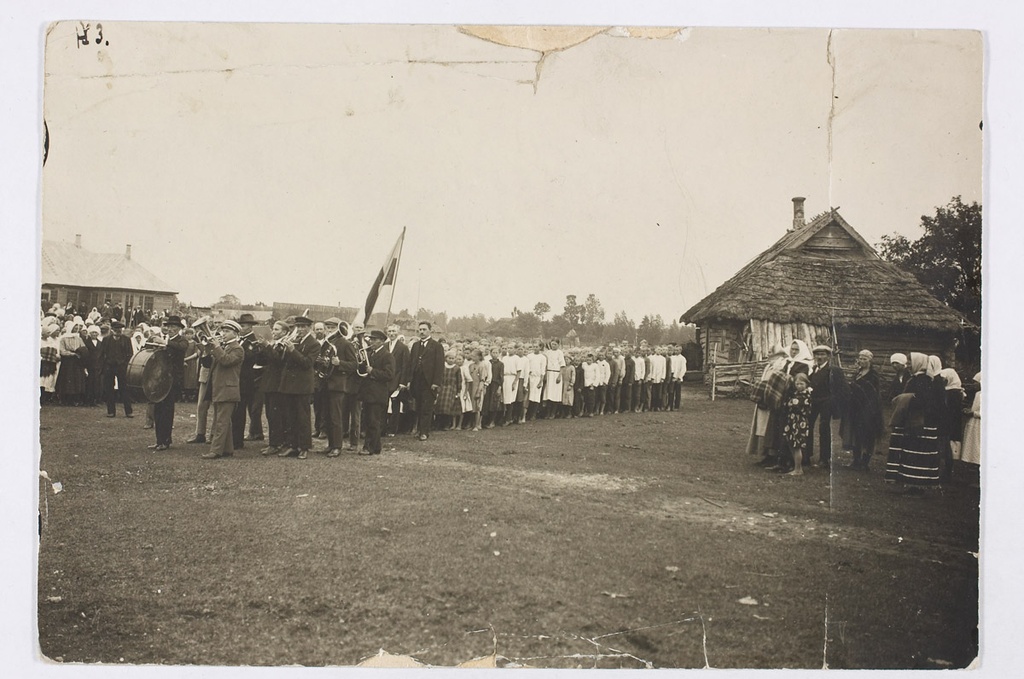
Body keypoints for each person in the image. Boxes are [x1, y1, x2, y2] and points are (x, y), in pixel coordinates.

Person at [885, 352, 942, 490]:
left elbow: (923, 401)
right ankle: (912, 483)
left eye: (910, 362)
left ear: (919, 363)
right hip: (914, 421)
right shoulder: (917, 378)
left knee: (918, 454)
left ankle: (917, 486)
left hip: (921, 423)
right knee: (912, 452)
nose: (908, 365)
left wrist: (905, 398)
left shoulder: (923, 380)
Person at [277, 316, 319, 459]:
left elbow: (307, 363)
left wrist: (292, 350)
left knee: (303, 418)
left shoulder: (314, 344)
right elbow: (283, 361)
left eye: (303, 327)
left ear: (309, 328)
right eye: (298, 327)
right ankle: (292, 445)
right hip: (289, 385)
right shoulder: (294, 340)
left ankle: (304, 447)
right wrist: (282, 348)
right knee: (290, 417)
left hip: (302, 386)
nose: (300, 329)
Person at [201, 320, 244, 459]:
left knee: (221, 421)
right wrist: (207, 350)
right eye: (223, 331)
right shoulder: (223, 347)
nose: (223, 334)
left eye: (227, 331)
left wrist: (217, 347)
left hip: (228, 389)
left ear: (235, 334)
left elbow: (226, 361)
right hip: (219, 388)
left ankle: (216, 450)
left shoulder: (238, 349)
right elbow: (208, 364)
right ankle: (227, 449)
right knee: (225, 421)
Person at [149, 316, 188, 451]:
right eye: (169, 327)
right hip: (162, 378)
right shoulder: (167, 340)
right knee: (158, 409)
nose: (170, 329)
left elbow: (181, 347)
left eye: (173, 327)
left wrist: (164, 343)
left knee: (167, 410)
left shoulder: (181, 340)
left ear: (179, 329)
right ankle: (159, 440)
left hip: (172, 380)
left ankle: (165, 441)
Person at [841, 349, 884, 471]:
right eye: (860, 358)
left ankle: (865, 462)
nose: (862, 361)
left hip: (868, 409)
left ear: (870, 360)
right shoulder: (858, 373)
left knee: (868, 435)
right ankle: (856, 460)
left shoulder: (873, 375)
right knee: (856, 435)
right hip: (855, 408)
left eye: (864, 359)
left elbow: (873, 393)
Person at [805, 344, 846, 469]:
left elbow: (840, 388)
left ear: (828, 356)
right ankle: (806, 455)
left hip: (826, 402)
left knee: (824, 428)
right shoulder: (813, 369)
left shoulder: (833, 370)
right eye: (817, 354)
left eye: (822, 354)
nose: (819, 357)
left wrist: (833, 402)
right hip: (814, 402)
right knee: (807, 425)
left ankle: (824, 458)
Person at [746, 343, 788, 463]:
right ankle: (764, 453)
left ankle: (771, 454)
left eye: (771, 351)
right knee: (761, 426)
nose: (769, 353)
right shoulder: (769, 364)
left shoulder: (780, 363)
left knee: (769, 426)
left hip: (771, 398)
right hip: (763, 398)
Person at [404, 321, 445, 440]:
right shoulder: (416, 346)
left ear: (430, 331)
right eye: (420, 329)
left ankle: (424, 432)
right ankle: (419, 429)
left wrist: (436, 382)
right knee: (418, 406)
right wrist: (409, 380)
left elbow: (439, 366)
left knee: (427, 407)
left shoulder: (437, 346)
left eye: (424, 329)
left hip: (429, 381)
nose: (422, 332)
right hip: (417, 380)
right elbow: (411, 364)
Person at [357, 329, 395, 455]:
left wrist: (372, 371)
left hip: (378, 393)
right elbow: (362, 369)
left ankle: (370, 447)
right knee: (368, 420)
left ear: (382, 341)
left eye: (374, 340)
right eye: (371, 339)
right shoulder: (369, 353)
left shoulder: (387, 355)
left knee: (373, 421)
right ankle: (375, 447)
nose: (371, 342)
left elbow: (389, 375)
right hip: (368, 392)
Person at [257, 320, 289, 455]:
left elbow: (278, 361)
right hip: (270, 383)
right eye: (273, 329)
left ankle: (275, 444)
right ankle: (275, 442)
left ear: (284, 332)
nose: (273, 332)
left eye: (276, 330)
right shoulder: (274, 344)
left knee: (275, 415)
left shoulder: (283, 344)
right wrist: (262, 347)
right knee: (270, 414)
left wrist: (267, 346)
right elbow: (262, 361)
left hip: (277, 384)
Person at [233, 313, 264, 446]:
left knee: (242, 409)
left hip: (247, 378)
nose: (242, 328)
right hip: (243, 377)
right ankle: (255, 432)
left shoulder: (252, 340)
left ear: (251, 327)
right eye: (241, 325)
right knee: (248, 408)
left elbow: (250, 357)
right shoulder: (242, 339)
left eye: (244, 325)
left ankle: (238, 440)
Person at [100, 320, 134, 417]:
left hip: (121, 367)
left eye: (119, 330)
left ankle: (128, 411)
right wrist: (104, 366)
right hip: (109, 367)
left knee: (124, 388)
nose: (118, 332)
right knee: (109, 389)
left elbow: (130, 354)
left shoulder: (126, 340)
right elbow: (102, 354)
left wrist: (124, 364)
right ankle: (111, 411)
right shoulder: (106, 340)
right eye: (116, 330)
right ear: (112, 330)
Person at [936, 368, 965, 483]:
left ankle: (946, 473)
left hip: (949, 423)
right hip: (949, 422)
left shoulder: (953, 393)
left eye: (944, 379)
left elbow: (949, 410)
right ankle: (945, 472)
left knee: (946, 448)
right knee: (946, 448)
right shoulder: (953, 390)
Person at [783, 373, 813, 476]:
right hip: (792, 420)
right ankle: (797, 466)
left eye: (802, 384)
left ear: (806, 384)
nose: (799, 386)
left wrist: (790, 403)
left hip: (799, 422)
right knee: (791, 443)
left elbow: (794, 405)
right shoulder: (796, 393)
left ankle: (798, 469)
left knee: (797, 445)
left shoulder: (806, 395)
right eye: (797, 384)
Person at [385, 324, 410, 436]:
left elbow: (405, 366)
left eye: (394, 331)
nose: (391, 333)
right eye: (389, 331)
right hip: (385, 379)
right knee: (383, 404)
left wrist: (402, 382)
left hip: (397, 379)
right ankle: (383, 428)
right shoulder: (385, 346)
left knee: (395, 405)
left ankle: (392, 429)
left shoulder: (403, 347)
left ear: (398, 332)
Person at [56, 320, 87, 406]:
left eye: (77, 329)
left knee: (76, 380)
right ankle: (65, 398)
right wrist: (72, 353)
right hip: (67, 362)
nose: (76, 330)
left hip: (77, 361)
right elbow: (62, 350)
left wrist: (80, 353)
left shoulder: (79, 338)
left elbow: (83, 347)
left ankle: (75, 398)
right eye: (74, 328)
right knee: (67, 379)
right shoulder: (64, 338)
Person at [958, 372, 981, 476]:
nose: (974, 385)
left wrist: (974, 413)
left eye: (976, 383)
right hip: (973, 423)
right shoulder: (978, 394)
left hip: (980, 424)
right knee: (973, 448)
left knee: (978, 447)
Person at [542, 339, 566, 418]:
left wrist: (559, 376)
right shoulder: (548, 352)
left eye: (555, 344)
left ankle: (553, 413)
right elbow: (545, 364)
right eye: (552, 344)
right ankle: (547, 413)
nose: (553, 346)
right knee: (548, 394)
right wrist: (545, 374)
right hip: (549, 374)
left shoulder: (560, 353)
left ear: (558, 345)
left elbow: (562, 365)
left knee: (555, 394)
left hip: (556, 374)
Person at [40, 322, 61, 405]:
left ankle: (46, 398)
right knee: (41, 380)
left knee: (49, 380)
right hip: (43, 362)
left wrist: (56, 356)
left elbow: (55, 350)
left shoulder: (50, 341)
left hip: (51, 362)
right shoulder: (40, 341)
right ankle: (41, 398)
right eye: (47, 332)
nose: (48, 334)